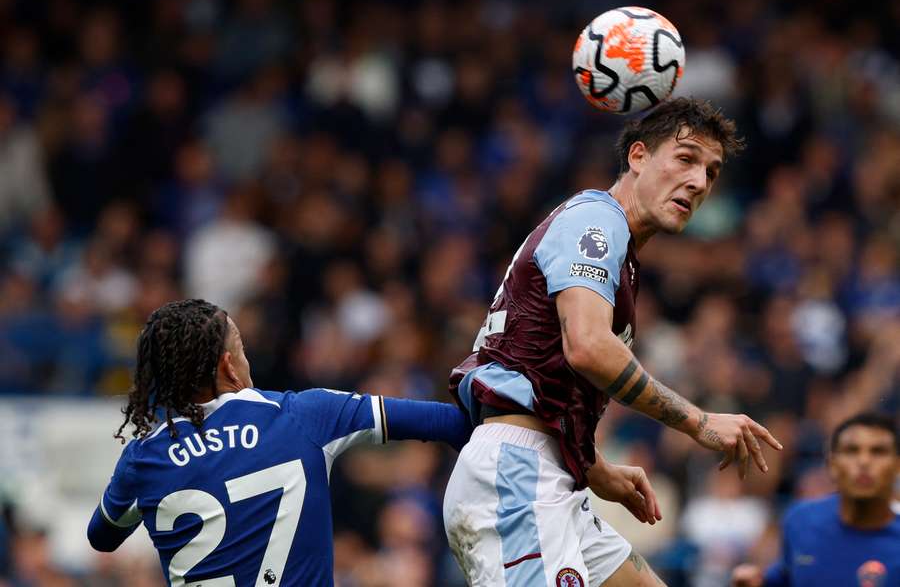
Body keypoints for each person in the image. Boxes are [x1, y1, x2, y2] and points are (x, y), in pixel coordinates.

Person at [443, 97, 783, 586]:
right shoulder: (596, 224)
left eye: (711, 171)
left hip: (553, 475)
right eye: (685, 158)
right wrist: (699, 421)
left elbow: (542, 367)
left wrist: (592, 464)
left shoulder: (618, 251)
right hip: (517, 479)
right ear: (638, 156)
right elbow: (588, 347)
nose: (699, 181)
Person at [86, 299, 472, 586]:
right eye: (241, 346)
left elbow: (101, 537)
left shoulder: (143, 460)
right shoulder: (307, 415)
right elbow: (445, 421)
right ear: (228, 365)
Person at [732, 412, 900, 587]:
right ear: (831, 465)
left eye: (878, 452)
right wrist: (756, 582)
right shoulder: (801, 520)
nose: (864, 461)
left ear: (897, 466)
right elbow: (787, 576)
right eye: (851, 451)